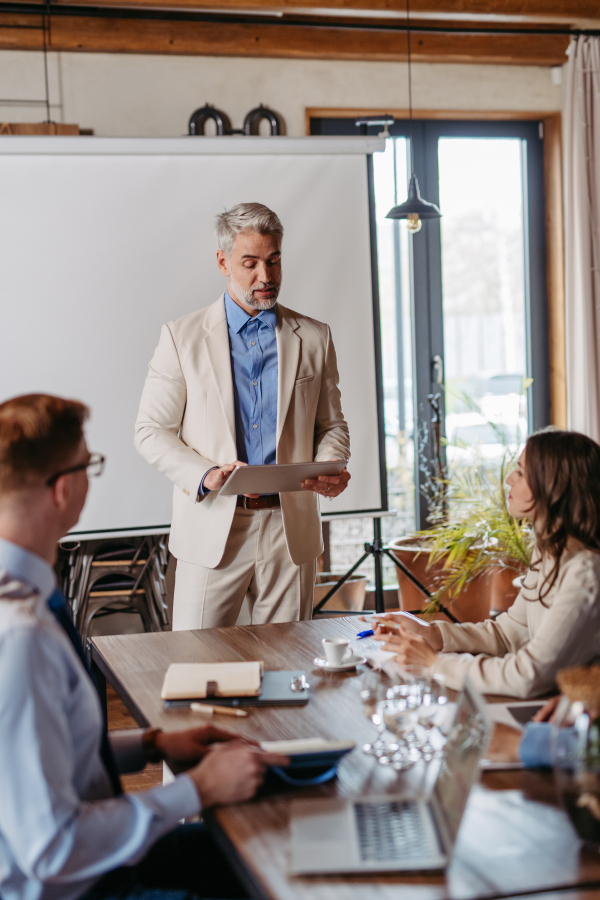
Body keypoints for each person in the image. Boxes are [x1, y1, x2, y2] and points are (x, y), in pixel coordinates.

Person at [0, 393, 288, 900]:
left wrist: (152, 745)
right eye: (91, 464)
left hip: (89, 862)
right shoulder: (21, 636)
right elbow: (51, 850)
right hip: (79, 884)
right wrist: (197, 789)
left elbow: (37, 758)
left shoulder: (24, 597)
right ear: (64, 490)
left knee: (266, 846)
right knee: (269, 864)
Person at [135, 202, 351, 631]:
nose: (266, 277)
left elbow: (332, 425)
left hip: (290, 531)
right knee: (196, 665)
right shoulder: (181, 337)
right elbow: (150, 431)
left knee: (288, 669)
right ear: (223, 262)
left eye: (273, 261)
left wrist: (332, 464)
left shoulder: (314, 336)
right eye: (250, 263)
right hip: (213, 522)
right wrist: (205, 473)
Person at [372, 429, 600, 699]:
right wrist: (433, 634)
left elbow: (529, 674)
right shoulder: (550, 551)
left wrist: (434, 664)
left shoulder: (585, 572)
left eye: (520, 472)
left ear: (554, 486)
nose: (508, 480)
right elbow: (508, 633)